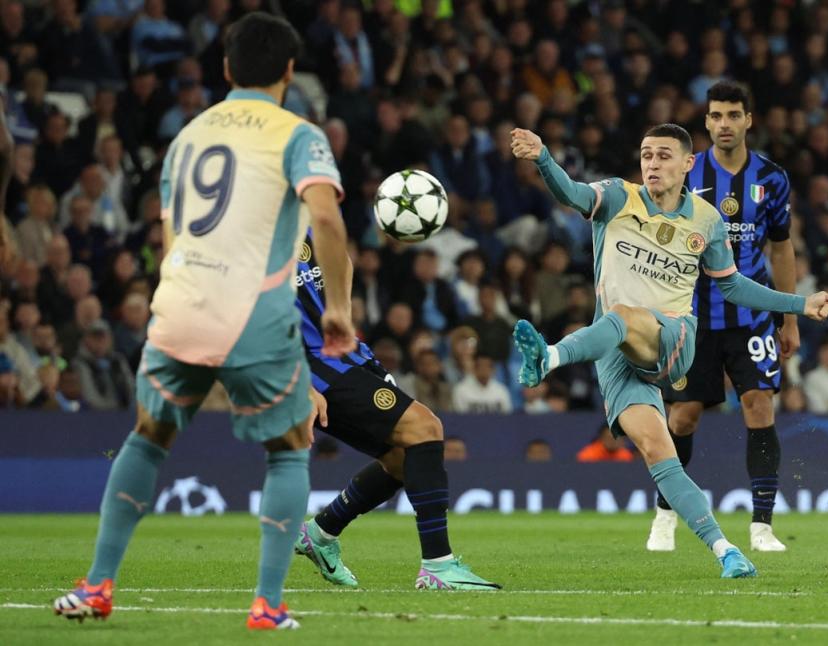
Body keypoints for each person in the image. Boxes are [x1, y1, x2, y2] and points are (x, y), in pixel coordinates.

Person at [53, 13, 356, 631]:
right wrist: (339, 311)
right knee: (291, 445)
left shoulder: (188, 135)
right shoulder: (298, 134)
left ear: (225, 69)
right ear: (290, 72)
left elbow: (171, 235)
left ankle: (97, 585)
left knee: (146, 436)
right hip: (253, 314)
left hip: (180, 304)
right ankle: (268, 605)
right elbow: (324, 220)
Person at [509, 122, 828, 579]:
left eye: (664, 155)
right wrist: (543, 157)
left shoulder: (705, 220)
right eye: (646, 155)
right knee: (658, 454)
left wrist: (800, 305)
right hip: (615, 354)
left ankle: (550, 357)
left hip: (673, 339)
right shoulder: (618, 197)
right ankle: (726, 551)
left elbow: (735, 288)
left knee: (622, 315)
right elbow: (571, 194)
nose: (652, 164)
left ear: (687, 164)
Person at [290, 229, 499, 591]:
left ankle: (320, 533)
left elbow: (340, 259)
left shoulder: (305, 215)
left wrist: (341, 311)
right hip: (312, 366)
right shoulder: (252, 237)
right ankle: (438, 565)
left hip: (349, 352)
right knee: (425, 428)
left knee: (404, 459)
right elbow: (248, 321)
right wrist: (300, 384)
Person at [657, 82, 799, 553]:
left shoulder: (772, 178)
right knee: (684, 417)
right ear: (706, 122)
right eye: (716, 116)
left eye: (733, 115)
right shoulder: (687, 172)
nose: (723, 125)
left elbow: (781, 248)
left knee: (759, 404)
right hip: (692, 316)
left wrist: (790, 317)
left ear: (748, 120)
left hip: (752, 315)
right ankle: (664, 514)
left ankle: (762, 527)